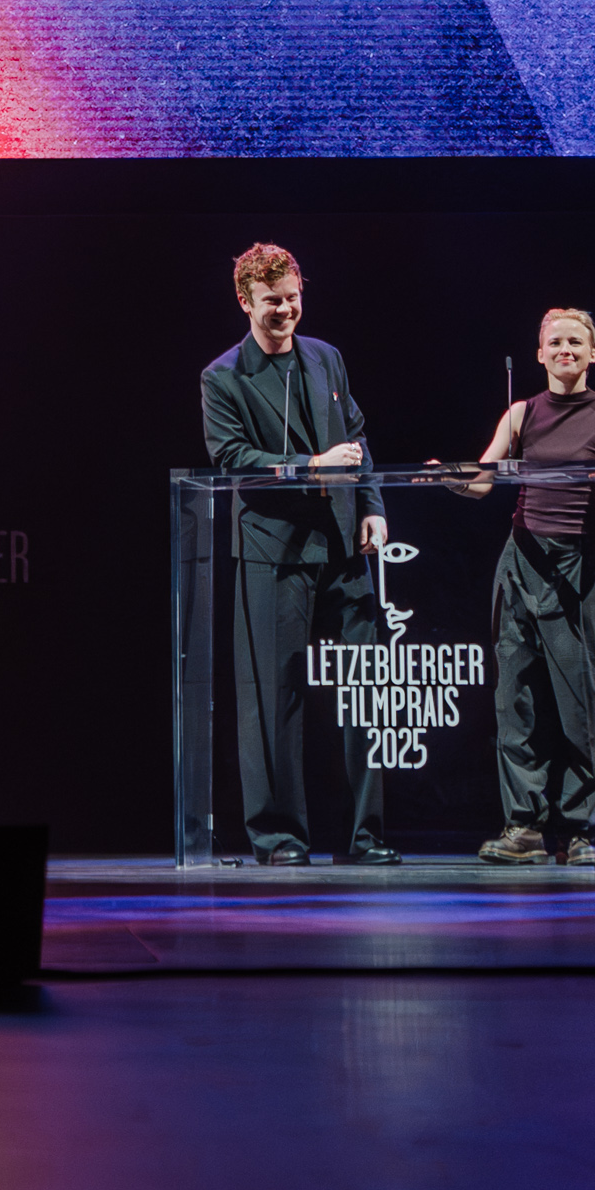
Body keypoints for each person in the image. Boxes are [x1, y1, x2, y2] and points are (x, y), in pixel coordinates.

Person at [198, 243, 401, 867]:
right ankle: (279, 838)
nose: (285, 310)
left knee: (365, 689)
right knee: (272, 696)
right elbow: (231, 458)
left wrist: (372, 505)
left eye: (292, 298)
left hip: (342, 545)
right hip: (274, 551)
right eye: (272, 301)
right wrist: (310, 465)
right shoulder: (222, 377)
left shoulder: (326, 358)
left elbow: (357, 437)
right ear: (245, 301)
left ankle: (365, 837)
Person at [452, 307, 595, 866]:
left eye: (575, 342)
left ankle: (579, 832)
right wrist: (448, 477)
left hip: (580, 568)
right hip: (522, 561)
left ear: (592, 353)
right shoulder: (521, 412)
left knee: (585, 703)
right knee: (517, 700)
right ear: (539, 354)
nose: (565, 350)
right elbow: (483, 482)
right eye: (555, 342)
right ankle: (524, 828)